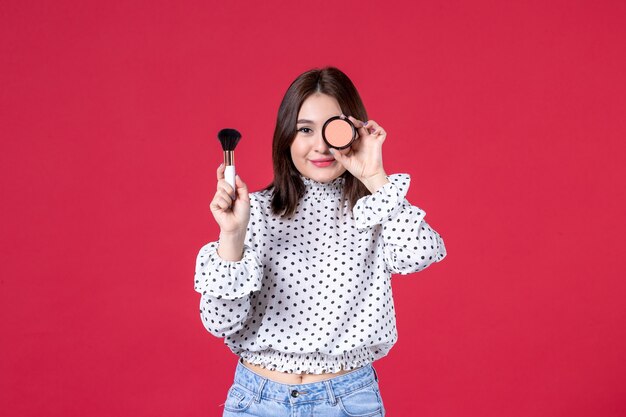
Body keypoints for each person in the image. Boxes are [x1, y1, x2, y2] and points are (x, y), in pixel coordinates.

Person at [194, 66, 447, 417]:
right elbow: (220, 322)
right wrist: (232, 234)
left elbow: (418, 254)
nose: (322, 145)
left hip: (347, 401)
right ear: (286, 136)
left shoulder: (376, 207)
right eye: (304, 130)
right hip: (257, 401)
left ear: (355, 131)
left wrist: (375, 177)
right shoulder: (256, 210)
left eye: (333, 129)